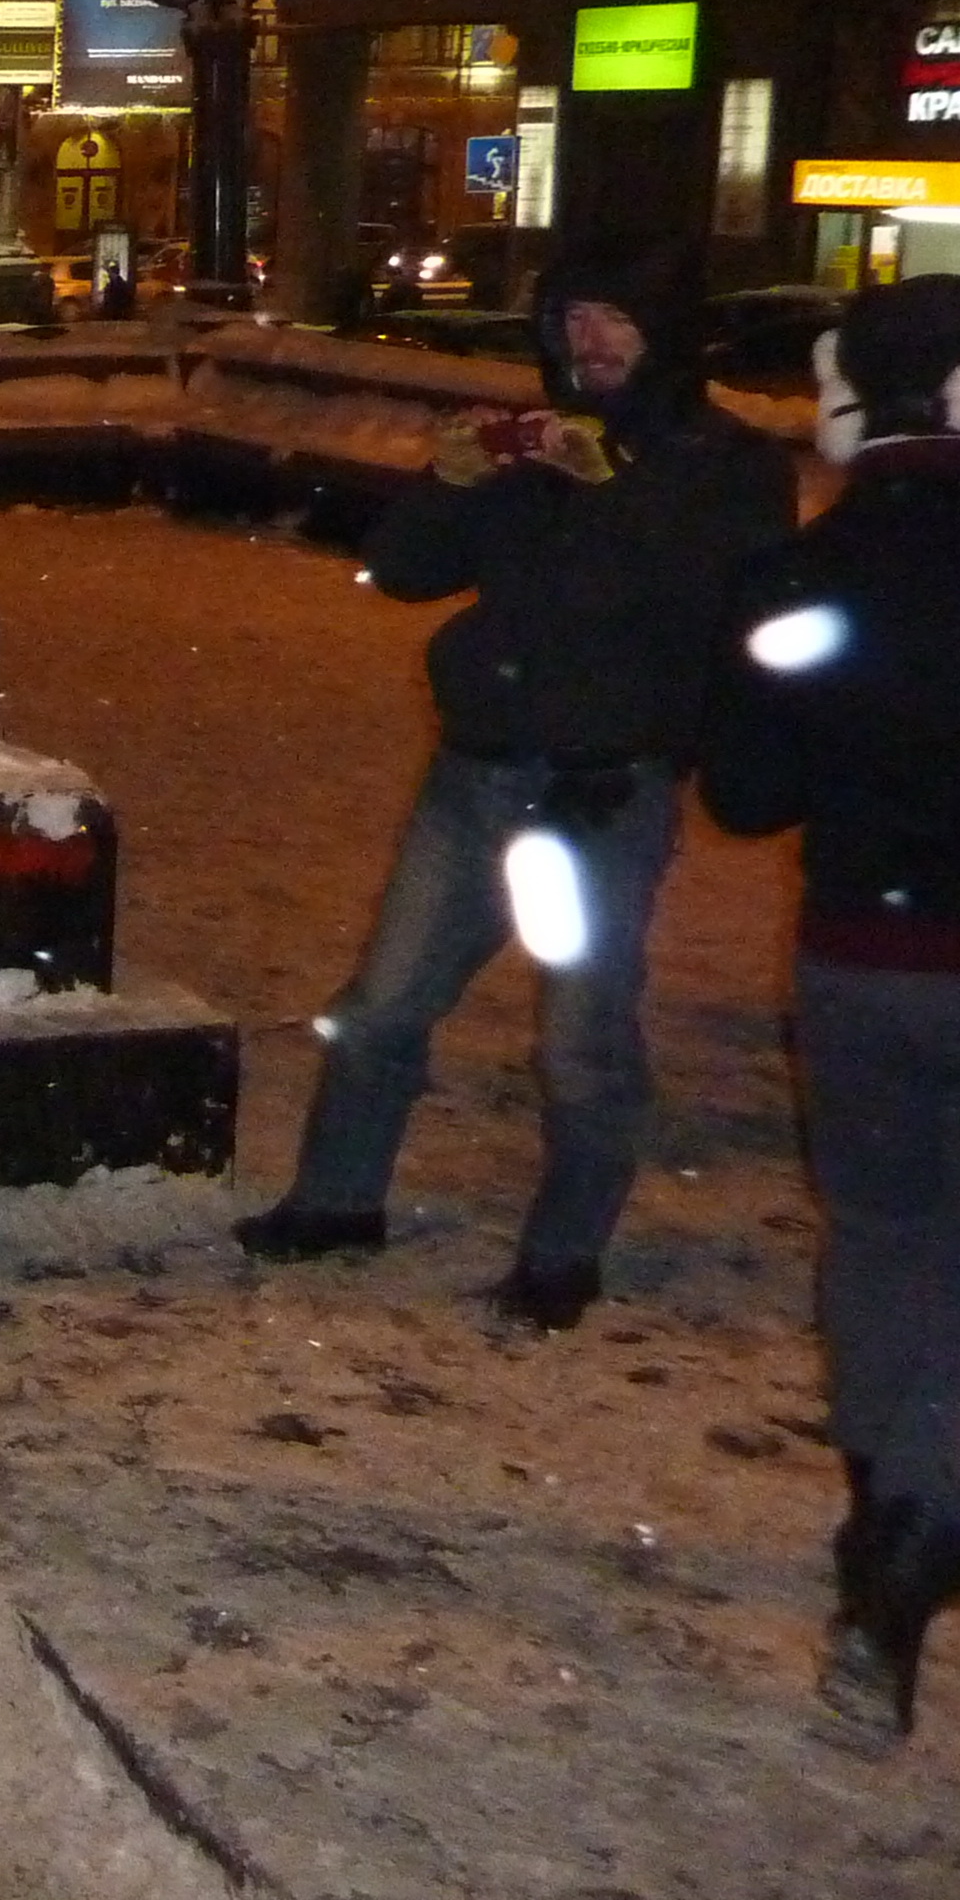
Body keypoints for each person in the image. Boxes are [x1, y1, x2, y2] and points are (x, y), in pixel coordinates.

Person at [237, 242, 797, 1328]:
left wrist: (614, 487)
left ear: (666, 333)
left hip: (605, 788)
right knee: (378, 1010)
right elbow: (404, 571)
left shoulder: (728, 462)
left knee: (582, 1041)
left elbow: (710, 592)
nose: (589, 342)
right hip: (478, 771)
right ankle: (336, 1201)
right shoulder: (532, 445)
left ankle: (562, 1255)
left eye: (614, 319)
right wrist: (449, 481)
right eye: (571, 320)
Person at [697, 275, 960, 1750]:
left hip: (859, 954)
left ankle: (883, 1513)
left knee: (880, 1231)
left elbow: (746, 793)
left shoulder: (800, 575)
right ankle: (912, 1533)